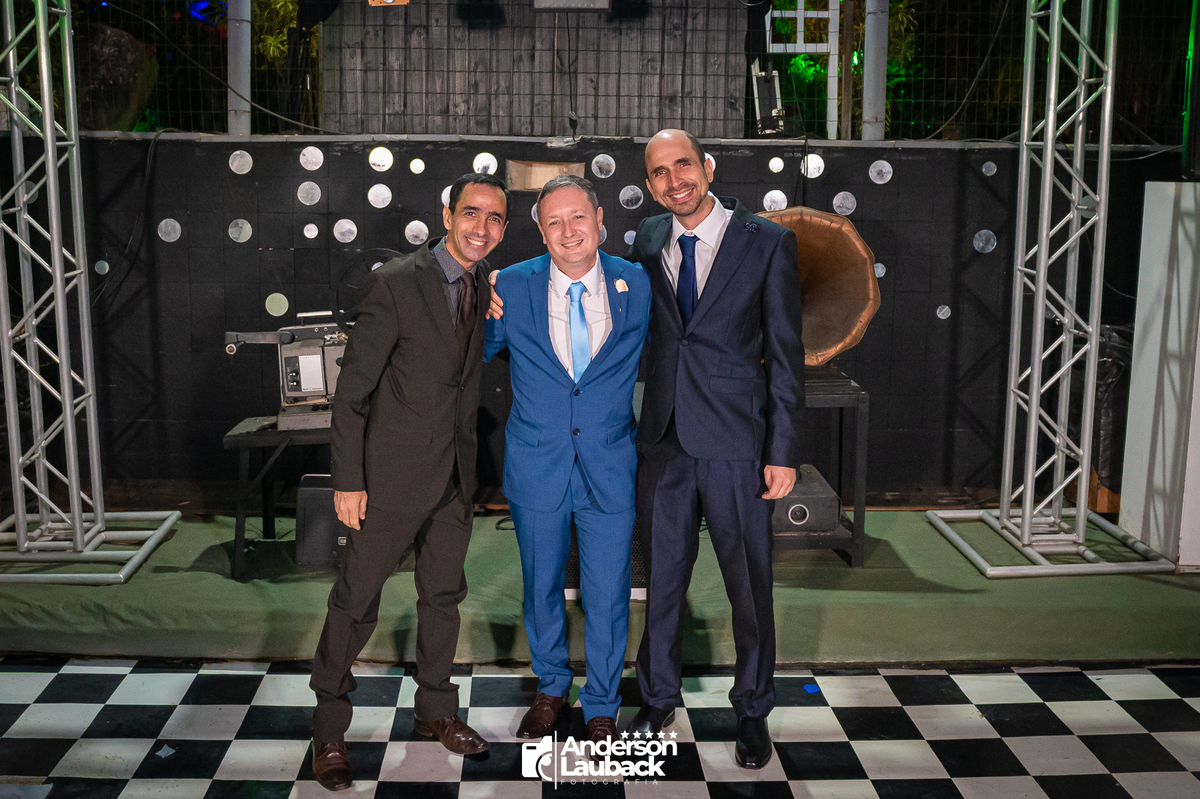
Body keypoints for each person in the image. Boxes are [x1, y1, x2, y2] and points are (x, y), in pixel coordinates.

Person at [308, 173, 508, 791]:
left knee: (442, 597)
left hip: (454, 476)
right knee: (355, 603)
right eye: (471, 213)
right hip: (389, 478)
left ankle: (435, 713)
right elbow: (351, 394)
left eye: (495, 219)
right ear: (446, 215)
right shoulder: (395, 282)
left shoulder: (483, 284)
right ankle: (329, 730)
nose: (481, 228)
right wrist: (348, 480)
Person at [626, 129, 805, 769]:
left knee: (749, 587)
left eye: (683, 165)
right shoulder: (648, 239)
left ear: (707, 167)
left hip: (737, 443)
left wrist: (782, 451)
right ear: (650, 186)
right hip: (665, 441)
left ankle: (753, 708)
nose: (674, 180)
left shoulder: (768, 241)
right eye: (659, 172)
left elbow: (785, 356)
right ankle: (657, 698)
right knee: (662, 582)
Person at [484, 174, 651, 745]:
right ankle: (552, 687)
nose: (568, 230)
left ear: (600, 220)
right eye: (553, 221)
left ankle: (601, 701)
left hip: (610, 466)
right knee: (542, 588)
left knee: (609, 594)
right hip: (537, 466)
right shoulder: (510, 285)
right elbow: (469, 350)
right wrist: (474, 298)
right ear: (540, 231)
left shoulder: (637, 283)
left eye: (578, 216)